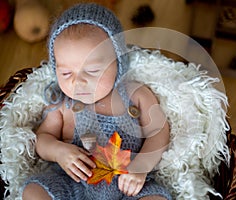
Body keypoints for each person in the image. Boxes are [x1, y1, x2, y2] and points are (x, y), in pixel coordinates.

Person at [22, 3, 171, 200]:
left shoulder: (135, 94)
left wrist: (142, 166)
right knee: (33, 192)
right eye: (66, 73)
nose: (78, 81)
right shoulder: (62, 105)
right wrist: (59, 152)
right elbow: (42, 139)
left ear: (118, 62)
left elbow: (159, 132)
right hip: (73, 185)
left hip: (128, 186)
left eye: (92, 71)